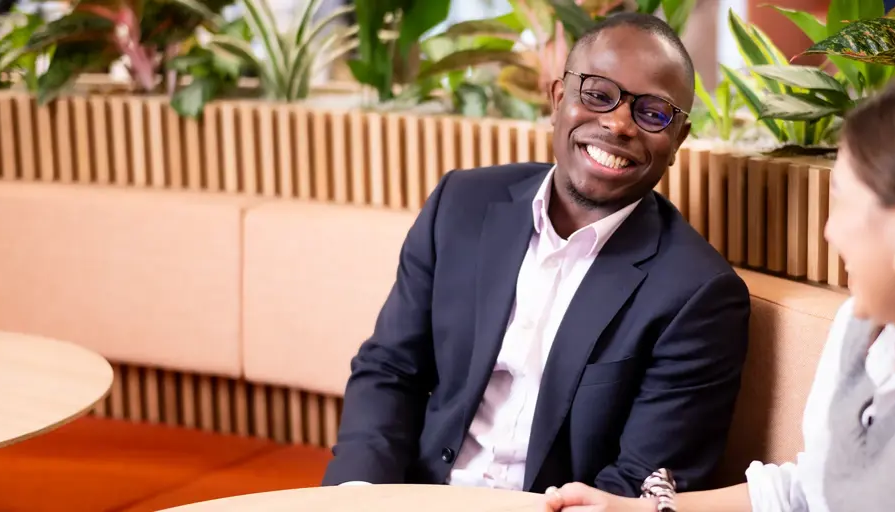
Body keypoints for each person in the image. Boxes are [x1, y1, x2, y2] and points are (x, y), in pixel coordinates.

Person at [542, 74, 895, 511]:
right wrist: (644, 510)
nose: (829, 231)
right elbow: (811, 492)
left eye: (841, 201)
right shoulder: (867, 329)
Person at [321, 13, 752, 497]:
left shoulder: (697, 294)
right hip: (417, 498)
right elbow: (390, 369)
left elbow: (640, 482)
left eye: (652, 113)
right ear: (557, 99)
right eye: (598, 94)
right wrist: (359, 494)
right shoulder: (461, 205)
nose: (617, 123)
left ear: (677, 140)